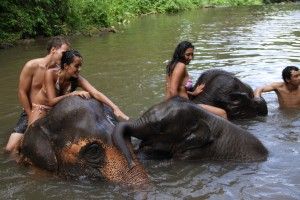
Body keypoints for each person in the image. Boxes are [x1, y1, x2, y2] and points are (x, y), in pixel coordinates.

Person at [5, 36, 70, 155]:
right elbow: (22, 92)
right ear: (53, 50)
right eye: (64, 53)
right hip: (30, 111)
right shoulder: (32, 66)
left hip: (50, 111)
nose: (66, 58)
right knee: (10, 149)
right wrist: (30, 114)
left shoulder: (59, 71)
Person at [28, 49, 129, 125]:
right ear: (66, 66)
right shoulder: (50, 74)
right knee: (29, 138)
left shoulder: (77, 79)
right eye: (76, 66)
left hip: (59, 110)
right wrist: (73, 94)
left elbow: (95, 93)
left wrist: (115, 108)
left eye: (80, 66)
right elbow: (51, 101)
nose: (79, 69)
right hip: (42, 108)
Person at [165, 41, 227, 119]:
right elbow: (172, 90)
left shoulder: (171, 65)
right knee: (222, 113)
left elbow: (178, 88)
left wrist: (193, 93)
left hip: (169, 104)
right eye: (187, 55)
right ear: (180, 53)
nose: (190, 58)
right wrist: (177, 112)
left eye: (192, 55)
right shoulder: (181, 66)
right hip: (184, 106)